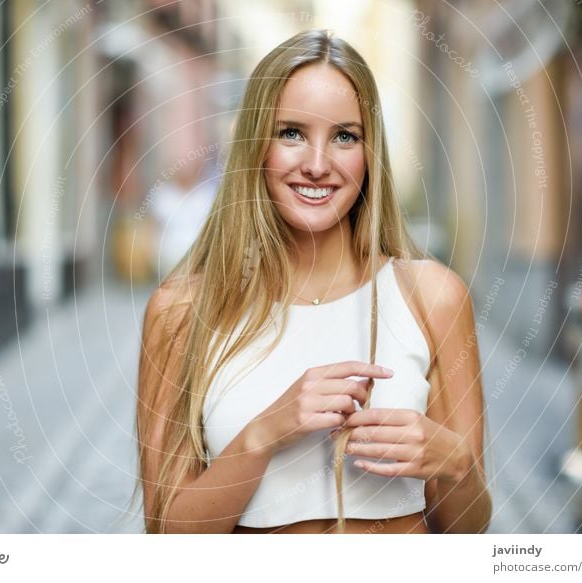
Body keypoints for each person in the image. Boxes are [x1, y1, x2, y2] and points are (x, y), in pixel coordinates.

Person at [135, 29, 491, 534]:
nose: (318, 165)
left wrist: (456, 463)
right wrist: (264, 434)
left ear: (370, 155)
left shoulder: (434, 298)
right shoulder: (182, 311)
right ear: (256, 145)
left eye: (345, 135)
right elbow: (169, 536)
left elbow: (468, 530)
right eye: (292, 133)